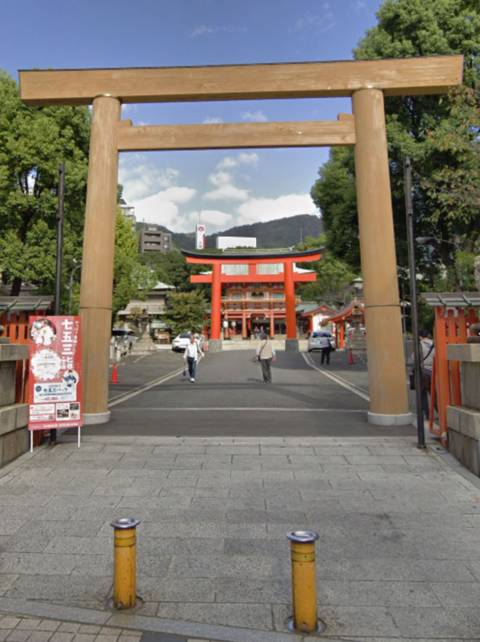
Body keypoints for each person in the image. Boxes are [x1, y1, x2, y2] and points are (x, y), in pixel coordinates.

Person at [419, 328, 435, 418]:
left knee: (423, 392)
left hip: (424, 371)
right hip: (434, 370)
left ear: (420, 336)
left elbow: (414, 358)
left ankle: (427, 413)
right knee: (434, 393)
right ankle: (439, 412)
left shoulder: (419, 345)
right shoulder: (434, 343)